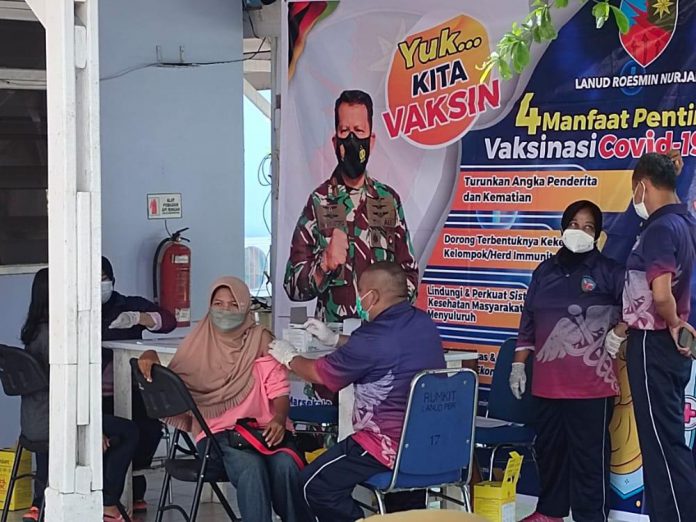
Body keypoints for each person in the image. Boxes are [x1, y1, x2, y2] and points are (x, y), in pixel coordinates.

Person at [270, 262, 446, 522]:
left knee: (313, 485)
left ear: (372, 296)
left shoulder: (373, 336)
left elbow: (319, 374)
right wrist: (335, 340)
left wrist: (289, 356)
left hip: (384, 444)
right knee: (404, 509)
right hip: (427, 444)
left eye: (360, 292)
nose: (358, 299)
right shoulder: (423, 323)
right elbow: (381, 349)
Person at [137, 277, 311, 522]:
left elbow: (278, 388)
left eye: (233, 304)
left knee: (286, 465)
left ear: (245, 306)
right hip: (215, 435)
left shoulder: (259, 339)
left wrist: (280, 419)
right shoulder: (199, 342)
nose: (225, 310)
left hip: (263, 431)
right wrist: (149, 353)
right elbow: (174, 384)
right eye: (218, 303)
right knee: (251, 467)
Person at [510, 200, 626, 522]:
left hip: (591, 386)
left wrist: (619, 332)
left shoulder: (609, 271)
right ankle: (550, 512)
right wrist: (518, 364)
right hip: (548, 384)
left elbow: (636, 306)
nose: (579, 231)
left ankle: (591, 517)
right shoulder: (544, 271)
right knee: (549, 452)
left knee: (589, 459)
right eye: (574, 224)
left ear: (598, 234)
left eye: (588, 227)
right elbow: (528, 321)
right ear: (563, 227)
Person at [284, 89, 419, 323]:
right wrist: (323, 265)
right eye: (345, 131)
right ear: (335, 141)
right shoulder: (319, 201)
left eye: (359, 131)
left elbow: (410, 276)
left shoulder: (388, 200)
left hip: (380, 337)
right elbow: (292, 286)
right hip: (333, 340)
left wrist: (386, 305)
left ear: (371, 141)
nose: (352, 139)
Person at [19, 268, 139, 522]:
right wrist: (92, 429)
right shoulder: (59, 336)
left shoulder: (33, 332)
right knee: (129, 431)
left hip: (32, 424)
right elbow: (69, 392)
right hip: (57, 422)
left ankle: (40, 501)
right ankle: (108, 503)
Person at [621, 152, 696, 521]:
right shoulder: (684, 222)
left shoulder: (660, 228)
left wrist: (673, 321)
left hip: (654, 341)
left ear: (643, 186)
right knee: (663, 442)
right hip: (666, 347)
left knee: (663, 446)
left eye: (635, 190)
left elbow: (662, 292)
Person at [100, 256, 176, 512]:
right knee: (120, 434)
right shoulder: (78, 310)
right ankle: (111, 496)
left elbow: (168, 321)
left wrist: (138, 318)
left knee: (151, 428)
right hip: (95, 395)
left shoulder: (127, 304)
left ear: (112, 280)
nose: (99, 285)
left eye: (103, 279)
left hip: (132, 391)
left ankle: (134, 488)